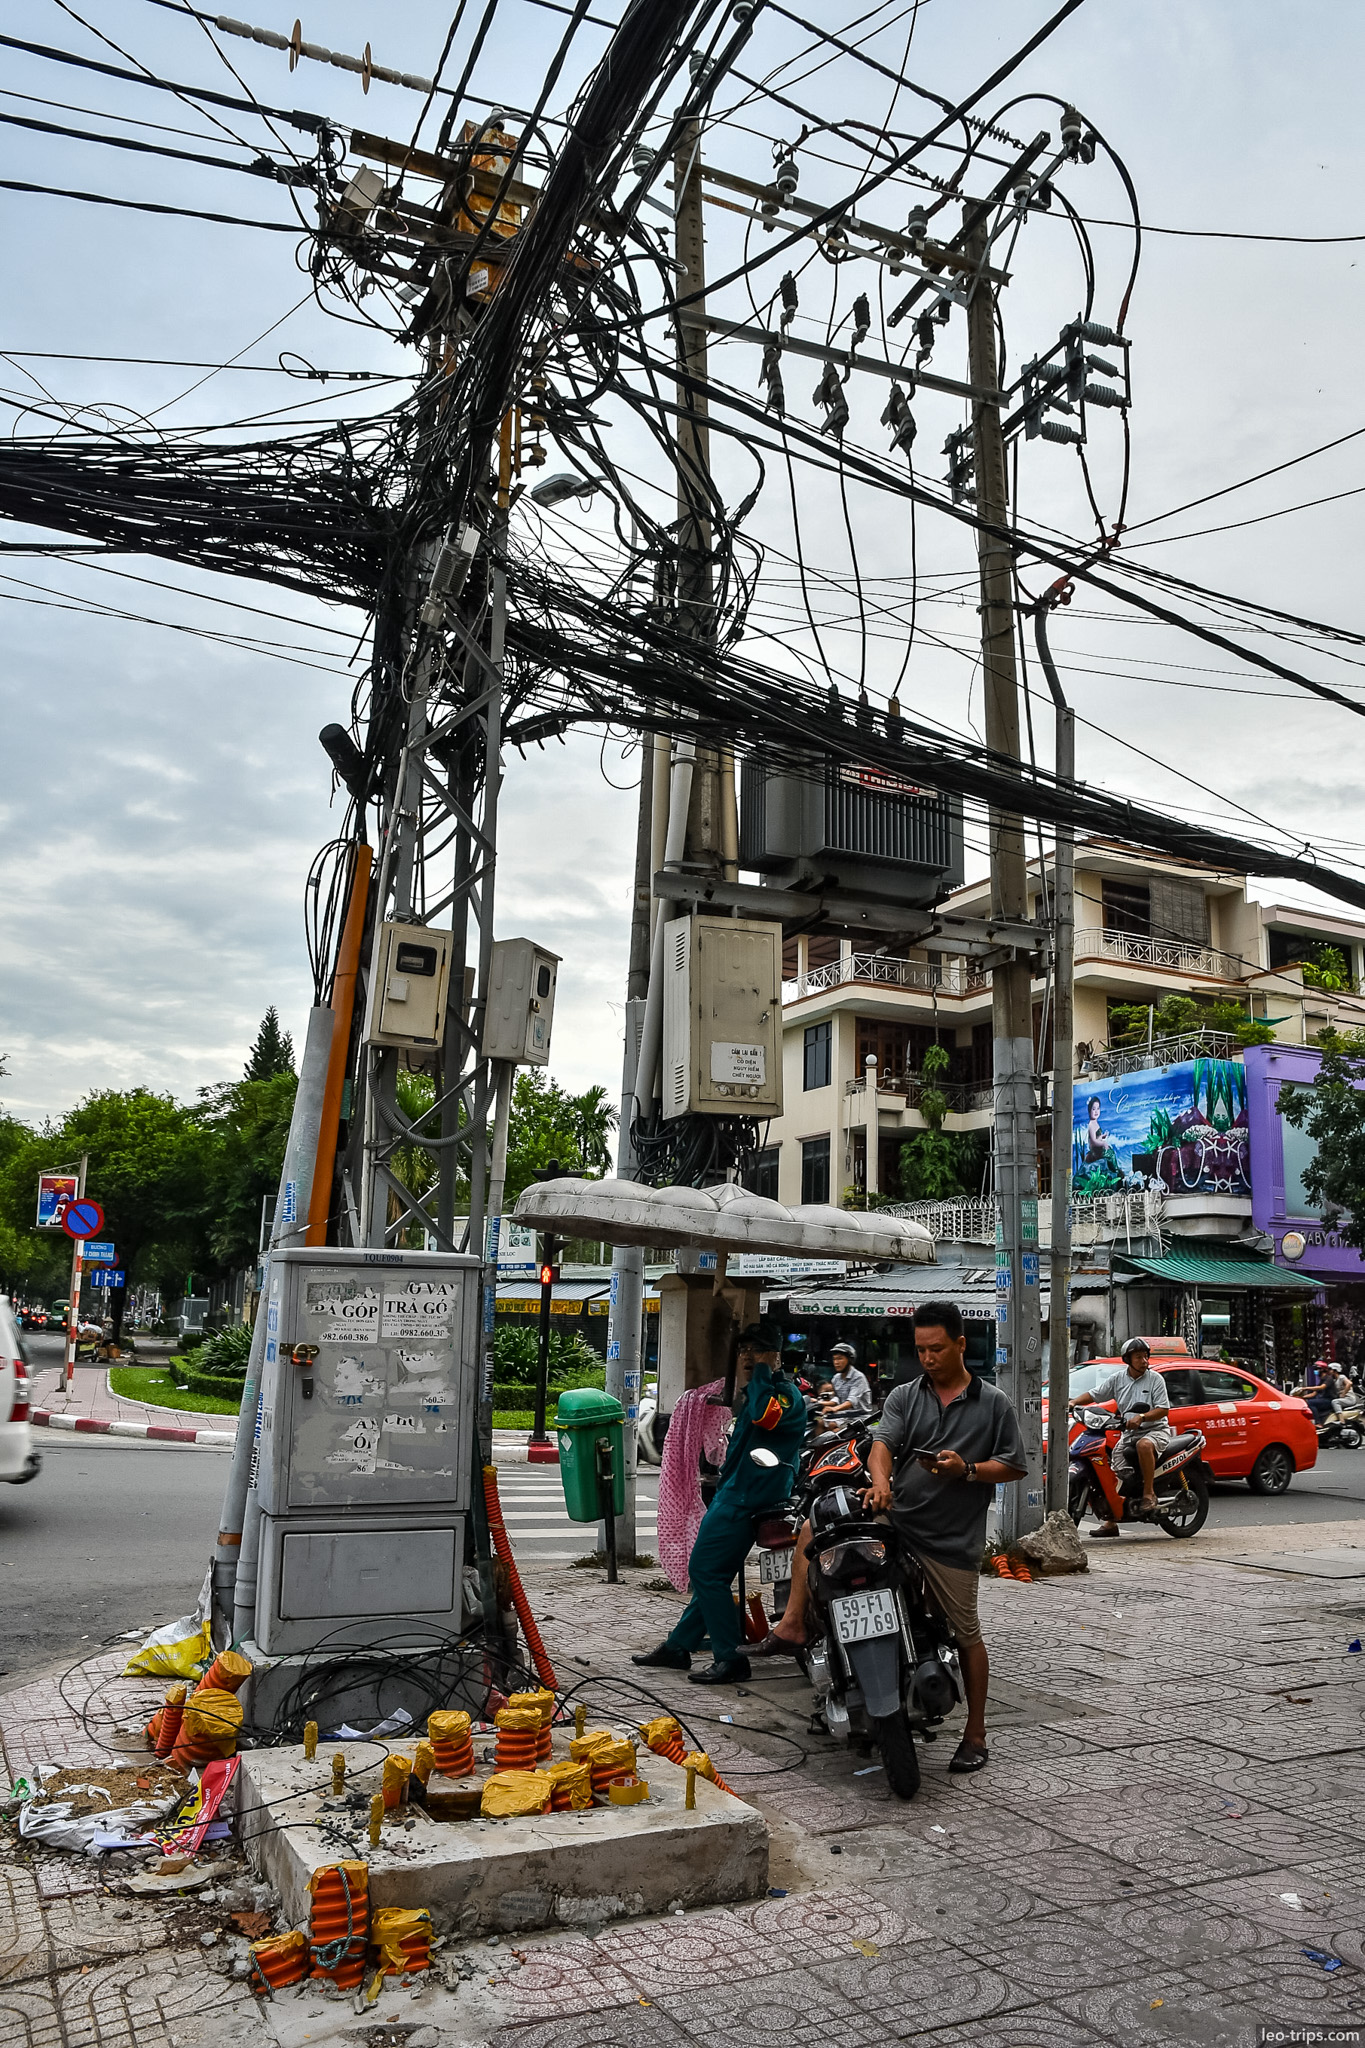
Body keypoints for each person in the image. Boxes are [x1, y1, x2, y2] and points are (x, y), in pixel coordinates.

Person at [753, 1300, 1026, 1776]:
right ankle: (796, 1621)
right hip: (896, 1519)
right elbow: (883, 1445)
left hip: (951, 1541)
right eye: (920, 1349)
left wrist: (968, 1470)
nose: (927, 1358)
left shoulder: (993, 1404)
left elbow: (1014, 1464)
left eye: (937, 1348)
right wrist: (879, 1483)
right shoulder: (905, 1395)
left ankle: (976, 1733)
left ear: (960, 1344)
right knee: (816, 1528)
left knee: (967, 1633)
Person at [633, 1318, 806, 1685]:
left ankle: (730, 1658)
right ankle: (679, 1645)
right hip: (739, 1492)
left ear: (775, 1355)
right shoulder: (758, 1389)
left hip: (746, 1499)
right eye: (745, 1351)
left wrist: (760, 1372)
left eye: (757, 1351)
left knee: (705, 1572)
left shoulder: (784, 1395)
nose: (748, 1357)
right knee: (716, 1574)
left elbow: (763, 1415)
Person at [1072, 1337, 1170, 1532]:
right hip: (1128, 1434)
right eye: (1139, 1357)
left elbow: (1163, 1409)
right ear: (1128, 1360)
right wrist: (1073, 1403)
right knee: (1113, 1473)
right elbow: (1095, 1394)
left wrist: (1142, 1417)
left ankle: (1149, 1493)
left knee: (1144, 1445)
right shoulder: (1118, 1379)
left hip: (1155, 1431)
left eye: (1145, 1356)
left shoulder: (1155, 1379)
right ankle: (1111, 1520)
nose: (1144, 1361)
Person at [820, 1341, 873, 1423]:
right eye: (834, 1359)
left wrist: (834, 1408)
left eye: (840, 1358)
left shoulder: (858, 1377)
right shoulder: (836, 1378)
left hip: (860, 1418)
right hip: (843, 1416)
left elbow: (851, 1401)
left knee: (831, 1427)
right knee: (819, 1423)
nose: (836, 1362)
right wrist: (820, 1403)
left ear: (849, 1360)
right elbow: (838, 1398)